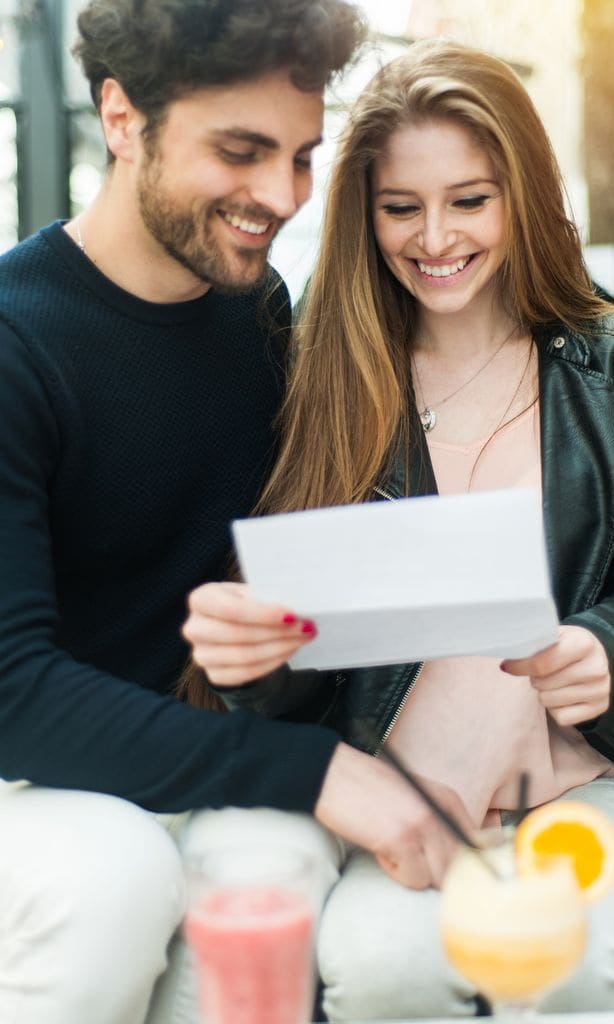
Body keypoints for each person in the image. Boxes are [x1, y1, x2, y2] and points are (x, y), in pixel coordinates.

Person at [0, 5, 484, 1023]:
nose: (281, 195)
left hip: (190, 760)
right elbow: (14, 693)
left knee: (277, 860)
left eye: (302, 156)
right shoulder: (15, 342)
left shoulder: (263, 319)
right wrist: (322, 770)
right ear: (123, 117)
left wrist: (283, 665)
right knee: (113, 876)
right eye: (241, 150)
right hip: (31, 781)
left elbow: (273, 640)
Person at [184, 39, 614, 1021]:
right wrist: (254, 645)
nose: (435, 237)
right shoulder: (318, 373)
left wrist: (606, 646)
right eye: (400, 206)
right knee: (383, 974)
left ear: (521, 195)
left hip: (586, 784)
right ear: (364, 214)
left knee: (568, 968)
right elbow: (296, 647)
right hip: (406, 798)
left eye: (470, 199)